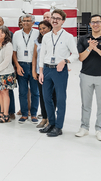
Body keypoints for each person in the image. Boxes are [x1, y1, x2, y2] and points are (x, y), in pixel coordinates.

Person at [38, 9, 79, 137]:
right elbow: (42, 54)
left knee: (61, 99)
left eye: (58, 18)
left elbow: (76, 54)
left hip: (60, 70)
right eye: (53, 18)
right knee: (46, 97)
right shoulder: (46, 36)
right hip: (47, 69)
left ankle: (59, 126)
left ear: (63, 21)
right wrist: (41, 71)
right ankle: (51, 123)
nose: (55, 20)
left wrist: (65, 61)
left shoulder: (68, 37)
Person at [76, 14, 101, 141]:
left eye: (98, 22)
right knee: (85, 104)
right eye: (93, 22)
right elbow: (81, 58)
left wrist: (96, 49)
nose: (95, 24)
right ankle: (84, 127)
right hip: (86, 75)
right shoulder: (83, 39)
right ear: (90, 24)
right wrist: (89, 48)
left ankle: (99, 129)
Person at [13, 14, 40, 124]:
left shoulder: (37, 33)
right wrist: (17, 66)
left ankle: (33, 114)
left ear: (33, 22)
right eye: (24, 21)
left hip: (34, 65)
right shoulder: (17, 34)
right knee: (22, 92)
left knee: (35, 92)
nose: (25, 23)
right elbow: (14, 52)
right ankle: (24, 114)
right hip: (21, 65)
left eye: (28, 21)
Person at [32, 20, 53, 128]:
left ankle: (51, 118)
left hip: (51, 71)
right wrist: (34, 71)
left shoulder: (53, 39)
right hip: (40, 72)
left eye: (44, 28)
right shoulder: (37, 41)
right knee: (43, 96)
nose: (42, 30)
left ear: (50, 28)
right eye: (40, 29)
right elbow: (35, 57)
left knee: (52, 96)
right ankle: (44, 118)